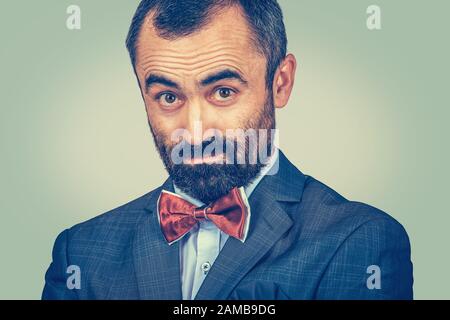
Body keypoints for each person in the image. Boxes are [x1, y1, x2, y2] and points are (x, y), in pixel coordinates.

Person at [42, 0, 413, 300]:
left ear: (280, 83)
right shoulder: (81, 252)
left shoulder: (359, 242)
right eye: (168, 96)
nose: (196, 130)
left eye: (223, 91)